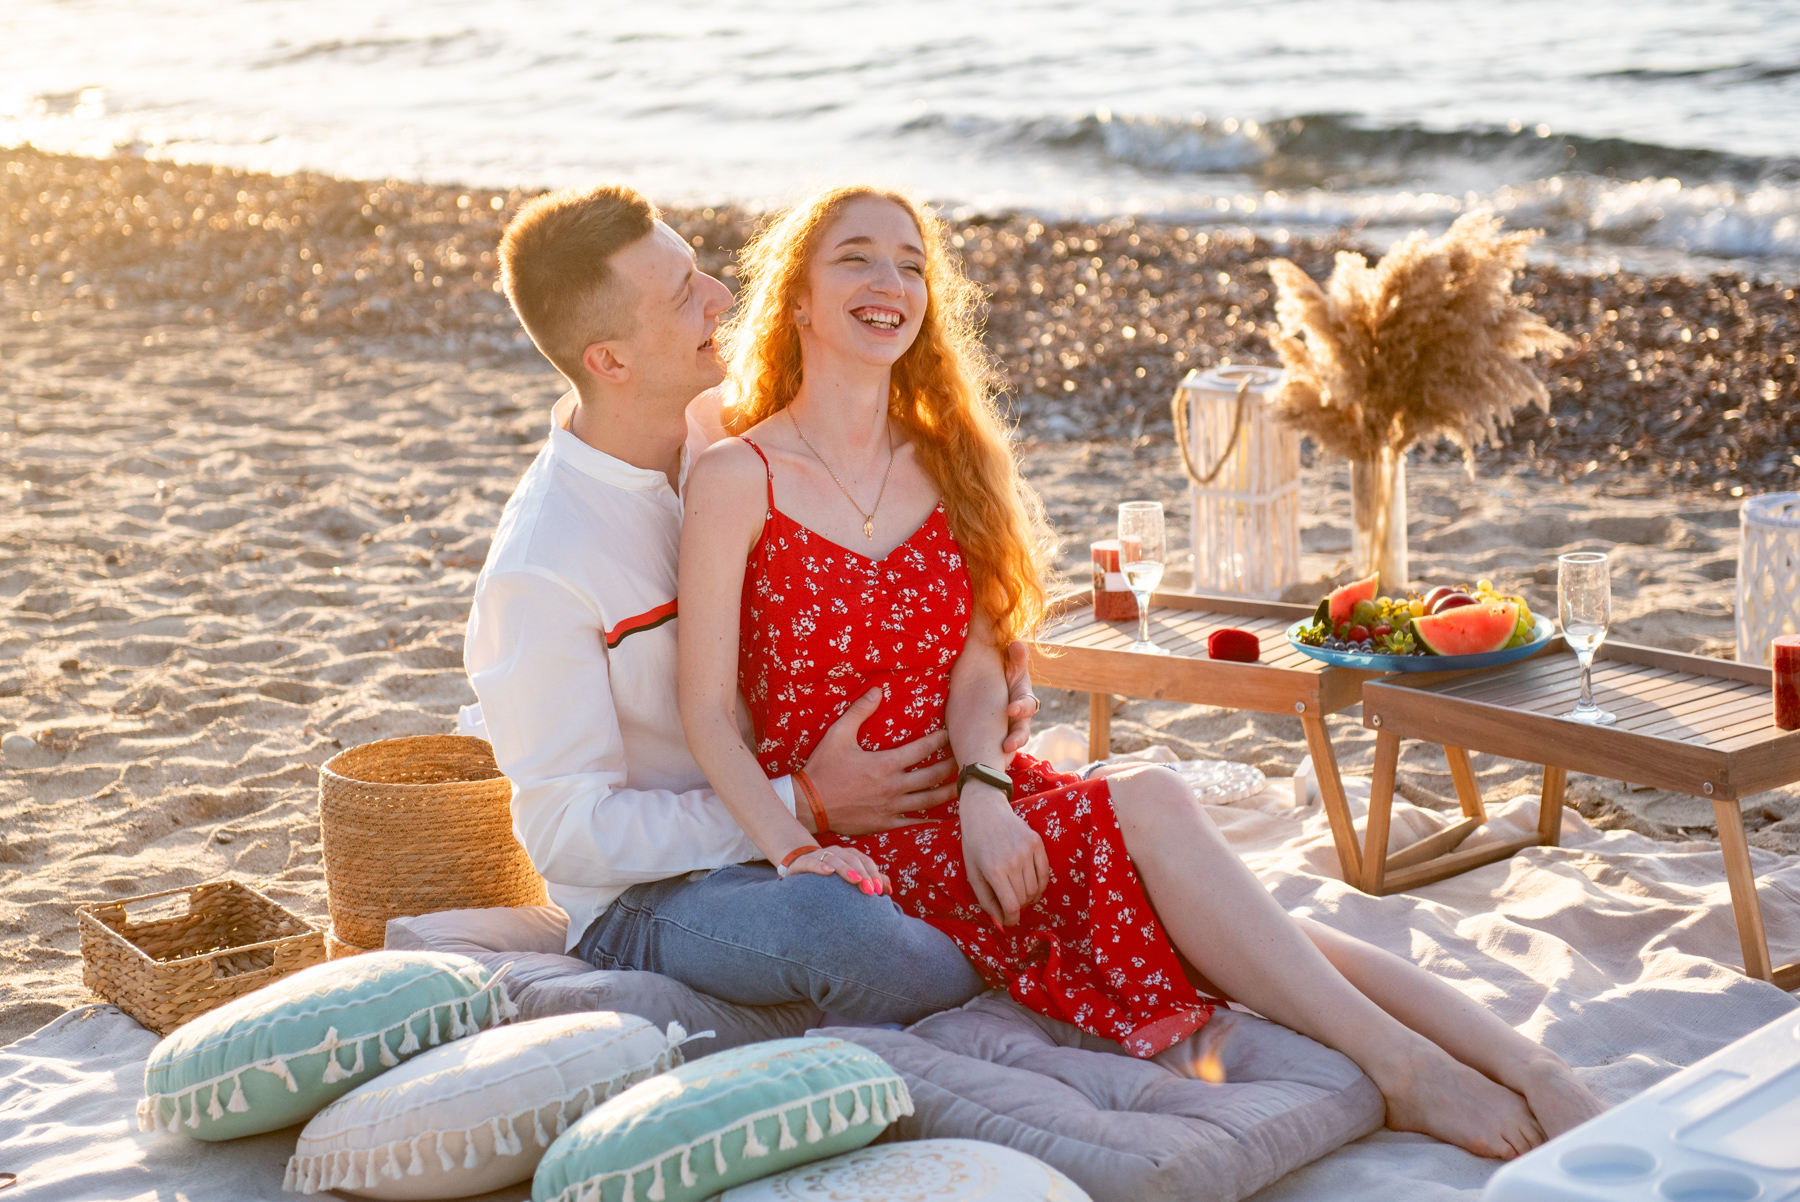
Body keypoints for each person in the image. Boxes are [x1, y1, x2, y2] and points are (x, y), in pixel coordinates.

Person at [676, 184, 1605, 1160]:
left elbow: (979, 654)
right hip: (880, 849)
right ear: (797, 300)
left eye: (912, 263)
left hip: (986, 809)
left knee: (1200, 862)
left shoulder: (947, 460)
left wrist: (989, 790)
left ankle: (1535, 1067)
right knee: (1190, 858)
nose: (890, 282)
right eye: (856, 258)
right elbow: (703, 711)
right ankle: (1415, 1068)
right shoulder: (739, 476)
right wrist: (791, 845)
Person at [463, 182, 1040, 1025]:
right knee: (844, 933)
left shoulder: (725, 428)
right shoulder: (543, 565)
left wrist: (978, 703)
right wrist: (799, 803)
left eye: (699, 270)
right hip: (664, 894)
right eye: (682, 294)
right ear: (610, 361)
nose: (722, 297)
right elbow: (568, 834)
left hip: (820, 820)